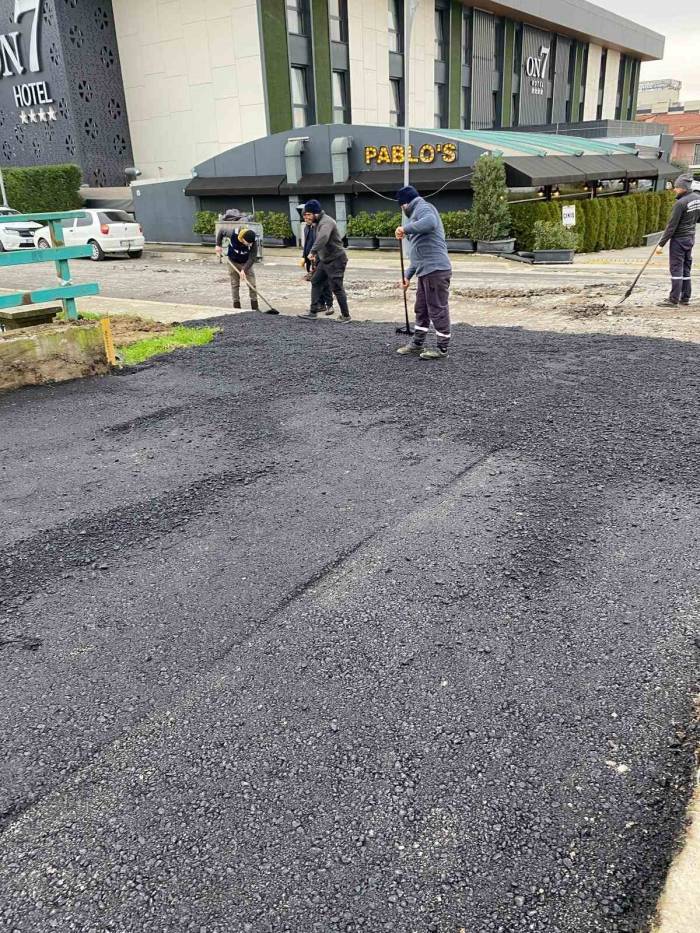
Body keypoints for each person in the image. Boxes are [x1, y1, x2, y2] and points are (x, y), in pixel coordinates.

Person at [394, 185, 452, 360]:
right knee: (422, 308)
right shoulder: (416, 213)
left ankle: (442, 349)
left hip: (436, 270)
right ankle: (417, 343)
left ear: (404, 204)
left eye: (401, 206)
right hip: (426, 271)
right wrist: (407, 275)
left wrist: (405, 229)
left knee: (437, 309)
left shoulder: (423, 207)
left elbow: (430, 222)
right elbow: (417, 254)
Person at [297, 200, 351, 322]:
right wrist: (317, 255)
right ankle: (313, 312)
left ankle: (346, 316)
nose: (306, 217)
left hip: (336, 260)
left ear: (316, 213)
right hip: (325, 260)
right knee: (316, 280)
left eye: (308, 215)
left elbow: (323, 237)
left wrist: (313, 251)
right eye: (305, 215)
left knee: (336, 288)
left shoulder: (327, 222)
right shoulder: (316, 223)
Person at [656, 174, 700, 307]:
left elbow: (671, 226)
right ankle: (685, 297)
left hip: (679, 240)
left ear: (683, 188)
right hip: (690, 238)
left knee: (676, 268)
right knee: (686, 268)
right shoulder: (697, 199)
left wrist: (661, 244)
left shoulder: (680, 203)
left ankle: (673, 299)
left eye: (677, 187)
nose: (674, 189)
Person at [215, 226, 259, 310]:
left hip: (246, 263)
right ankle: (236, 308)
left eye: (251, 243)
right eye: (248, 243)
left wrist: (244, 269)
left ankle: (255, 309)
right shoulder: (232, 233)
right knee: (235, 284)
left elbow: (252, 258)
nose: (249, 244)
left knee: (252, 285)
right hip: (233, 261)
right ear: (242, 238)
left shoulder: (253, 241)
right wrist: (218, 245)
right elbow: (221, 230)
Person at [300, 210, 334, 316]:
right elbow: (307, 244)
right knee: (316, 283)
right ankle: (320, 304)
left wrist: (317, 257)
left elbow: (321, 243)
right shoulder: (306, 228)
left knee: (324, 283)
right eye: (304, 217)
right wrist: (304, 257)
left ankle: (329, 305)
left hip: (320, 258)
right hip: (310, 258)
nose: (306, 219)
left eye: (308, 216)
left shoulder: (318, 228)